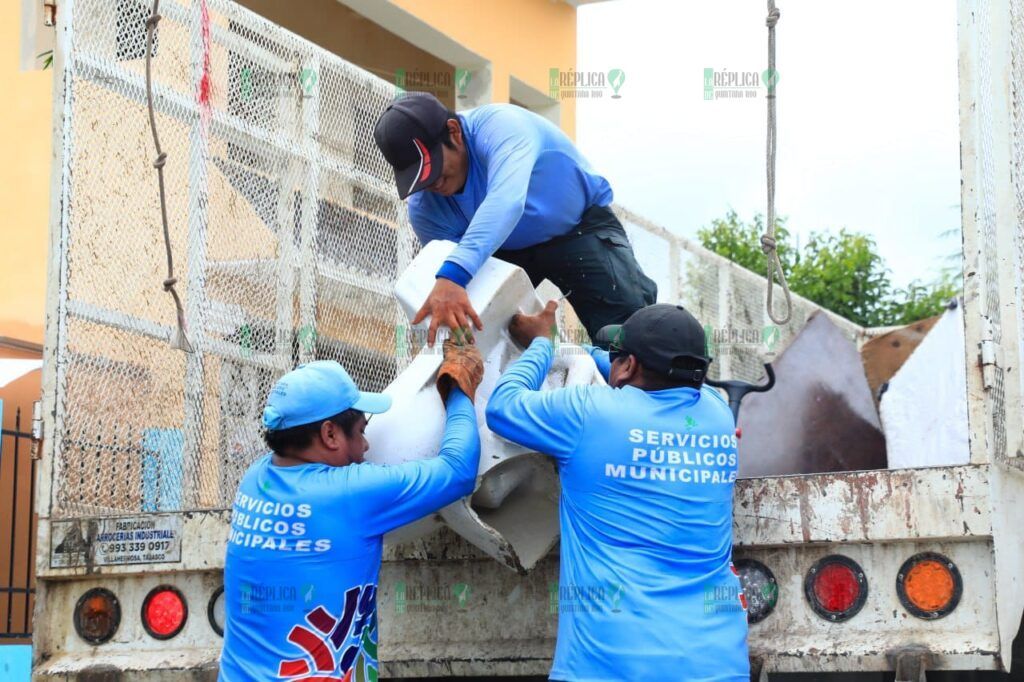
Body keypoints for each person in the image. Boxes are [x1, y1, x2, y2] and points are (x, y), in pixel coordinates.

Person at [485, 302, 749, 681]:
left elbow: (502, 407)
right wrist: (584, 352)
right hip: (718, 665)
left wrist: (542, 344)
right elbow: (635, 372)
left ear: (628, 366)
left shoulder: (588, 412)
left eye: (620, 357)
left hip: (610, 666)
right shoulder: (717, 414)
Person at [219, 343, 484, 681]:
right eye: (360, 431)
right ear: (329, 433)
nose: (367, 446)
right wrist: (459, 388)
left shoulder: (256, 479)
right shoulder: (351, 493)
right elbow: (459, 471)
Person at [373, 91, 657, 345]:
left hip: (578, 226)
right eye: (418, 179)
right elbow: (451, 290)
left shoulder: (501, 127)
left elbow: (507, 201)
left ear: (454, 132)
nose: (431, 183)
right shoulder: (424, 209)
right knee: (478, 335)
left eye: (433, 168)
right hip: (502, 251)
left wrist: (452, 274)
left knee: (629, 334)